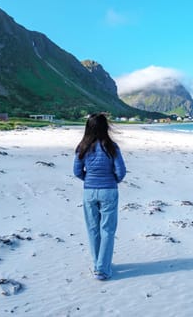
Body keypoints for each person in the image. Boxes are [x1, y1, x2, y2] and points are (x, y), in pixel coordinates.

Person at [73, 113, 126, 280]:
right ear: (105, 127)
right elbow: (121, 171)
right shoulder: (112, 147)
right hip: (109, 190)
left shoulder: (82, 147)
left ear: (88, 127)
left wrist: (88, 180)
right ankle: (102, 268)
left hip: (89, 191)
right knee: (107, 230)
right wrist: (112, 181)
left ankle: (98, 265)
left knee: (93, 229)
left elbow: (76, 171)